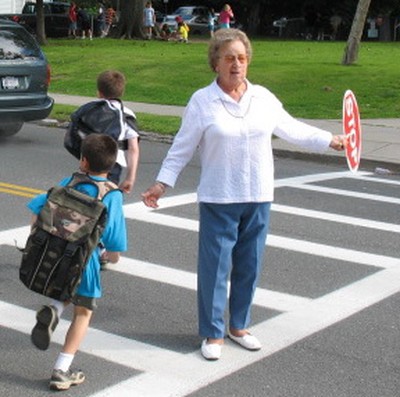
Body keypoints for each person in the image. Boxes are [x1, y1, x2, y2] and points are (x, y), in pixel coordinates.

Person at [141, 28, 347, 361]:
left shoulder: (263, 98)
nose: (236, 64)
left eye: (241, 57)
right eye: (229, 58)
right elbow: (182, 148)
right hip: (219, 197)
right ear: (216, 63)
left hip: (259, 195)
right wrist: (162, 183)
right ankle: (212, 332)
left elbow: (292, 129)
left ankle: (239, 326)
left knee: (249, 265)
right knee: (216, 268)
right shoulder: (202, 101)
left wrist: (330, 140)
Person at [28, 134, 128, 390]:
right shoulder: (112, 195)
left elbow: (39, 208)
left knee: (64, 288)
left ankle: (54, 309)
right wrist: (112, 257)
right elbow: (114, 238)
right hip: (86, 261)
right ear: (112, 165)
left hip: (56, 254)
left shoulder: (71, 180)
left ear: (83, 161)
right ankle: (62, 369)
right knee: (83, 312)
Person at [67, 70, 140, 194]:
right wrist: (130, 178)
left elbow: (74, 133)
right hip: (112, 164)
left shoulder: (87, 110)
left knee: (84, 196)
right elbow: (133, 148)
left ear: (99, 92)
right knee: (106, 197)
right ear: (122, 92)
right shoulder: (126, 114)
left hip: (87, 161)